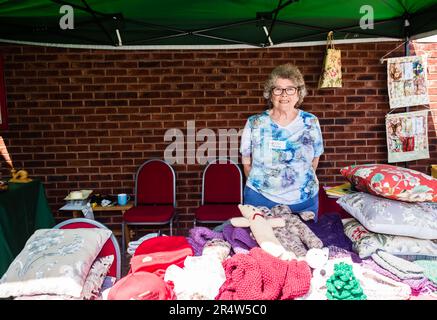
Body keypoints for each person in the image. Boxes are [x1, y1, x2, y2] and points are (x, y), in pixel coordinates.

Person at [240, 63, 324, 221]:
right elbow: (246, 162)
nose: (284, 95)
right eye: (278, 89)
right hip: (260, 199)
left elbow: (315, 159)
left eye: (290, 89)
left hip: (303, 201)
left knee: (307, 243)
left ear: (298, 93)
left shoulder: (311, 122)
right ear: (270, 94)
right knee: (260, 244)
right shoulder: (255, 123)